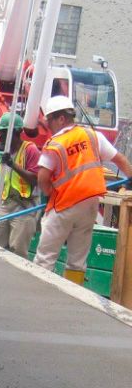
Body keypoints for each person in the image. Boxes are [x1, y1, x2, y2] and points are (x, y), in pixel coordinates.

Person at [33, 96, 132, 284]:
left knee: (45, 257)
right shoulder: (92, 135)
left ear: (61, 119)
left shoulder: (55, 144)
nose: (47, 125)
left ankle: (38, 294)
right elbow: (120, 160)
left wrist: (48, 194)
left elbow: (42, 177)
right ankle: (74, 298)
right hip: (90, 204)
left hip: (63, 206)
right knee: (77, 262)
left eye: (49, 120)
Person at [0, 112, 40, 257]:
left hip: (24, 207)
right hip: (5, 204)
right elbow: (8, 180)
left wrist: (13, 164)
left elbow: (35, 179)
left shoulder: (30, 150)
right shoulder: (6, 151)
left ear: (15, 133)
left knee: (17, 251)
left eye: (3, 133)